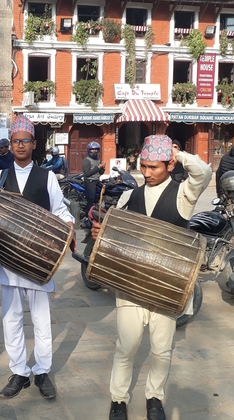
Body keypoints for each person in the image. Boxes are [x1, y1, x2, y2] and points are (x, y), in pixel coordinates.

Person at [89, 135, 211, 420]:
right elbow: (113, 232)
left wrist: (178, 154)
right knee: (127, 347)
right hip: (131, 287)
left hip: (166, 289)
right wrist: (101, 233)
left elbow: (203, 172)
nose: (146, 173)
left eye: (153, 167)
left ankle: (155, 397)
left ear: (168, 164)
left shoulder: (184, 194)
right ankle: (118, 399)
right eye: (142, 166)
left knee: (161, 351)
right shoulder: (130, 196)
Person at [0, 115, 75, 401]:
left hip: (37, 259)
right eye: (15, 141)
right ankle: (18, 371)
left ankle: (42, 371)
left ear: (33, 144)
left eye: (24, 141)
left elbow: (60, 210)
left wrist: (67, 224)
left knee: (41, 319)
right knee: (11, 318)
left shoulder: (47, 176)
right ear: (10, 144)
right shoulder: (0, 176)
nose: (19, 145)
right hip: (8, 258)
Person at [82, 141, 106, 219]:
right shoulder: (86, 160)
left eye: (96, 149)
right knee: (91, 198)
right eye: (92, 149)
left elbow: (100, 173)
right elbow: (87, 173)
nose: (94, 151)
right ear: (89, 150)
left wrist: (103, 168)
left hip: (97, 181)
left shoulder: (98, 160)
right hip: (89, 181)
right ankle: (86, 216)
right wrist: (99, 167)